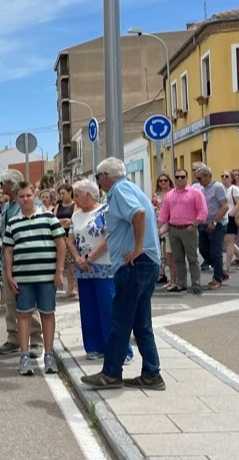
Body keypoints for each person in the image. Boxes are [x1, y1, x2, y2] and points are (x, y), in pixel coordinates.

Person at [81, 158, 165, 391]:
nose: (98, 183)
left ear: (106, 176)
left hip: (134, 264)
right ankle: (151, 373)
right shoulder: (131, 188)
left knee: (120, 320)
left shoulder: (119, 190)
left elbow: (138, 213)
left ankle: (111, 373)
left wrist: (137, 247)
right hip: (145, 262)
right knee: (140, 322)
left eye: (98, 178)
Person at [3, 182, 66, 376]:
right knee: (23, 315)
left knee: (47, 314)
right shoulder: (13, 223)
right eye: (21, 196)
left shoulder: (49, 218)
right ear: (17, 198)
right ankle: (24, 355)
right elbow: (8, 251)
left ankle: (49, 354)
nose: (25, 199)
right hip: (23, 278)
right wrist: (9, 275)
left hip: (47, 277)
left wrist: (59, 271)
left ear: (34, 196)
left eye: (28, 195)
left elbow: (61, 243)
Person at [67, 180, 133, 361]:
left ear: (88, 194)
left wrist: (89, 257)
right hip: (83, 268)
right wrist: (78, 258)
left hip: (103, 266)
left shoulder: (106, 211)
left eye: (77, 195)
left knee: (108, 308)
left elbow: (108, 238)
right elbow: (70, 240)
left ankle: (120, 350)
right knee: (89, 309)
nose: (75, 199)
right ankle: (94, 346)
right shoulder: (76, 215)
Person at [0, 170, 44, 357]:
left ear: (13, 184)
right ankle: (13, 338)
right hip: (7, 257)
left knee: (29, 302)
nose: (1, 187)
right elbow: (3, 232)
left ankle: (36, 341)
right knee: (9, 302)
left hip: (24, 259)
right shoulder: (7, 206)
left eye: (3, 183)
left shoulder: (32, 205)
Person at [157, 169, 206, 294]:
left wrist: (194, 224)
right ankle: (181, 283)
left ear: (187, 177)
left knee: (192, 258)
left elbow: (203, 211)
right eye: (177, 177)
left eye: (182, 177)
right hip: (174, 229)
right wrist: (157, 227)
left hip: (188, 229)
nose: (179, 179)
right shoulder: (170, 195)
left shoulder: (195, 193)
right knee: (178, 259)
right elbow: (164, 214)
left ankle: (196, 284)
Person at [193, 166, 229, 289]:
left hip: (217, 224)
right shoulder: (202, 188)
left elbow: (224, 206)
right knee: (203, 249)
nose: (198, 181)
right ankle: (220, 271)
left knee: (215, 252)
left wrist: (214, 222)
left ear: (207, 176)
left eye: (199, 178)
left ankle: (217, 279)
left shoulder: (218, 187)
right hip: (204, 222)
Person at [152, 173, 176, 287]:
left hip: (170, 224)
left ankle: (174, 279)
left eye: (165, 180)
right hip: (158, 223)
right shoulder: (156, 194)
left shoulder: (173, 193)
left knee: (170, 253)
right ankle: (162, 274)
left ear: (169, 181)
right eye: (160, 181)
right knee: (161, 251)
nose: (163, 182)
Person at [54, 184, 77, 298]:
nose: (61, 196)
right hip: (59, 236)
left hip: (70, 236)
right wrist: (63, 221)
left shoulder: (74, 205)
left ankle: (71, 287)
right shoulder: (58, 206)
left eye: (63, 193)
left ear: (70, 192)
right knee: (62, 262)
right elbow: (54, 220)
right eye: (60, 194)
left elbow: (72, 220)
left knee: (70, 263)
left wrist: (62, 222)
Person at [220, 169, 239, 274]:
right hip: (222, 217)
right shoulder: (221, 189)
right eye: (222, 176)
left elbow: (238, 203)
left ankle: (226, 265)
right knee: (226, 241)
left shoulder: (234, 189)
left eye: (226, 176)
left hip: (230, 217)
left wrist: (231, 214)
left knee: (228, 241)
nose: (224, 178)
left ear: (231, 179)